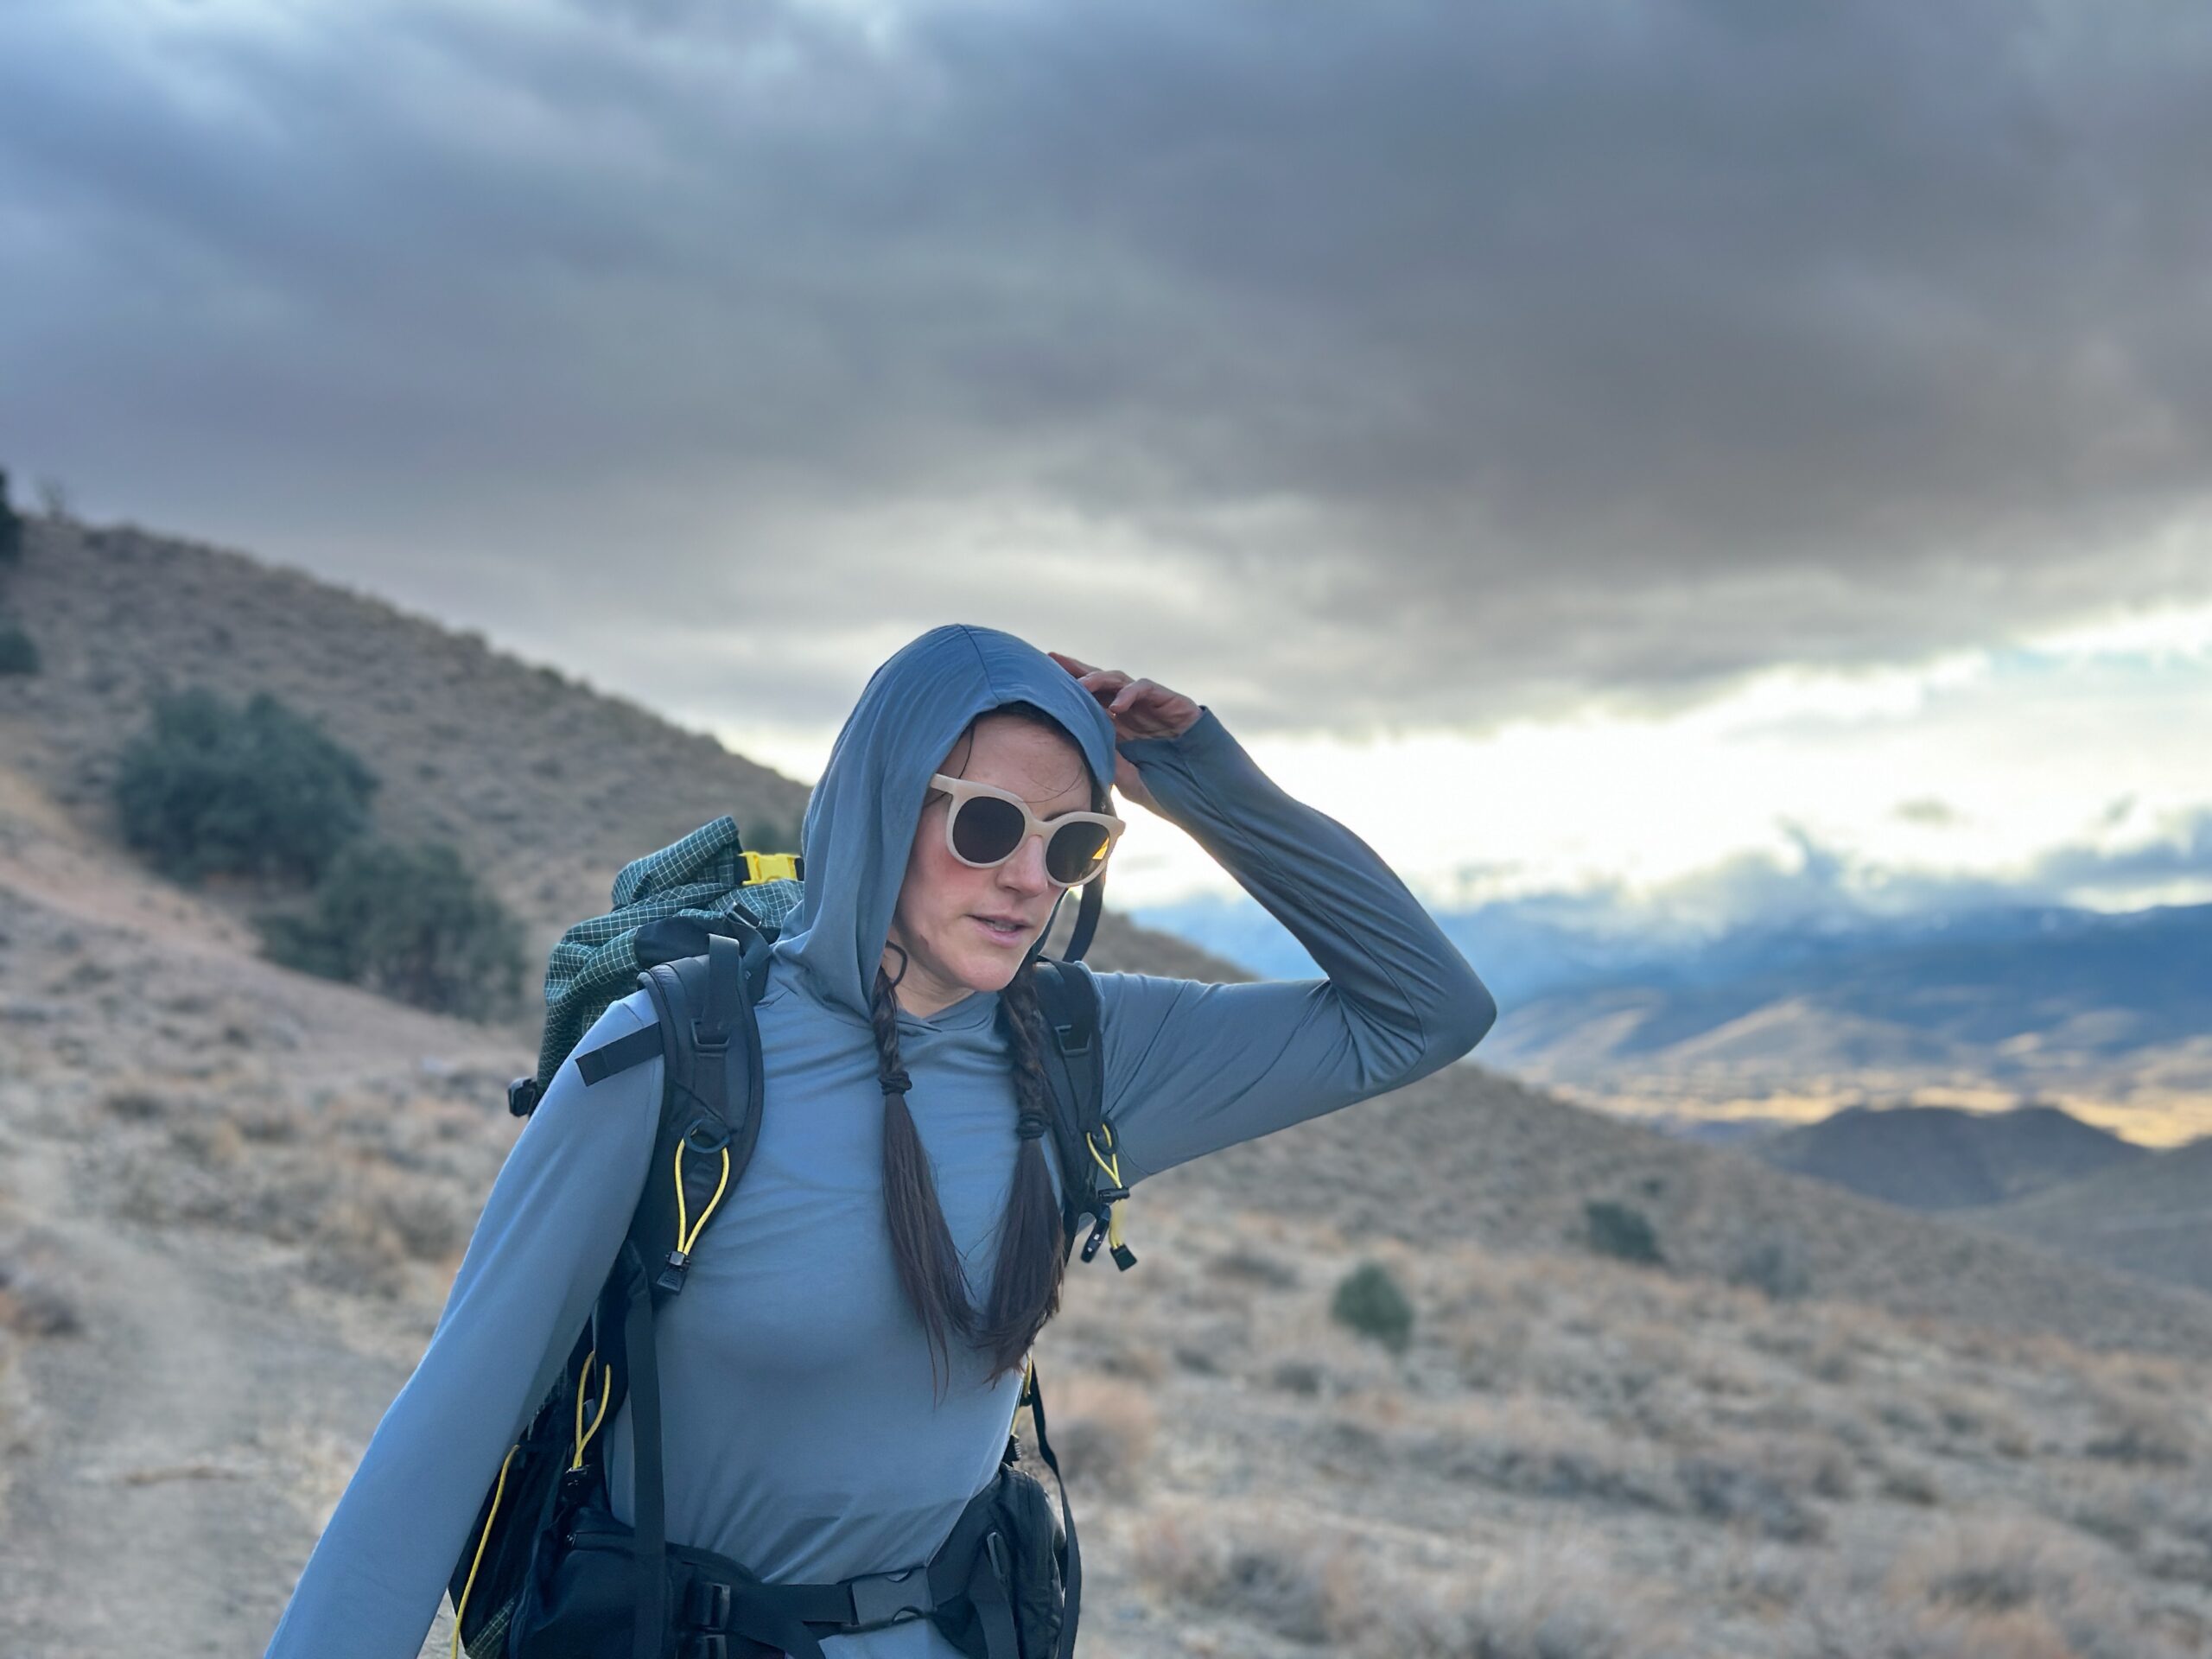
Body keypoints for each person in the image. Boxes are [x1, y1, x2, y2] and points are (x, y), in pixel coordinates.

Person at [263, 623, 1496, 1659]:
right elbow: (442, 1441)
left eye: (1074, 844)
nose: (1029, 879)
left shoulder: (1088, 1053)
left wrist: (1204, 784)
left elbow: (1424, 1012)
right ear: (879, 805)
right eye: (986, 827)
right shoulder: (672, 1061)